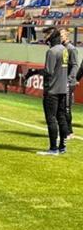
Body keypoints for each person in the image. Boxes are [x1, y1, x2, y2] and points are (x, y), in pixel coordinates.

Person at [25, 27, 70, 155]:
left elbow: (48, 72)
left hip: (52, 90)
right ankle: (62, 147)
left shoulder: (51, 51)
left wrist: (34, 72)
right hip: (62, 88)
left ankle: (53, 148)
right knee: (61, 117)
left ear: (52, 36)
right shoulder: (64, 50)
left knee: (51, 119)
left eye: (46, 35)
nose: (45, 38)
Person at [62, 29, 78, 133]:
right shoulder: (61, 48)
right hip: (62, 81)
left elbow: (75, 65)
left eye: (61, 35)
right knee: (62, 107)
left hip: (68, 82)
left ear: (66, 36)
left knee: (66, 107)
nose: (59, 37)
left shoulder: (71, 49)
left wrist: (69, 79)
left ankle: (69, 131)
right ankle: (65, 130)